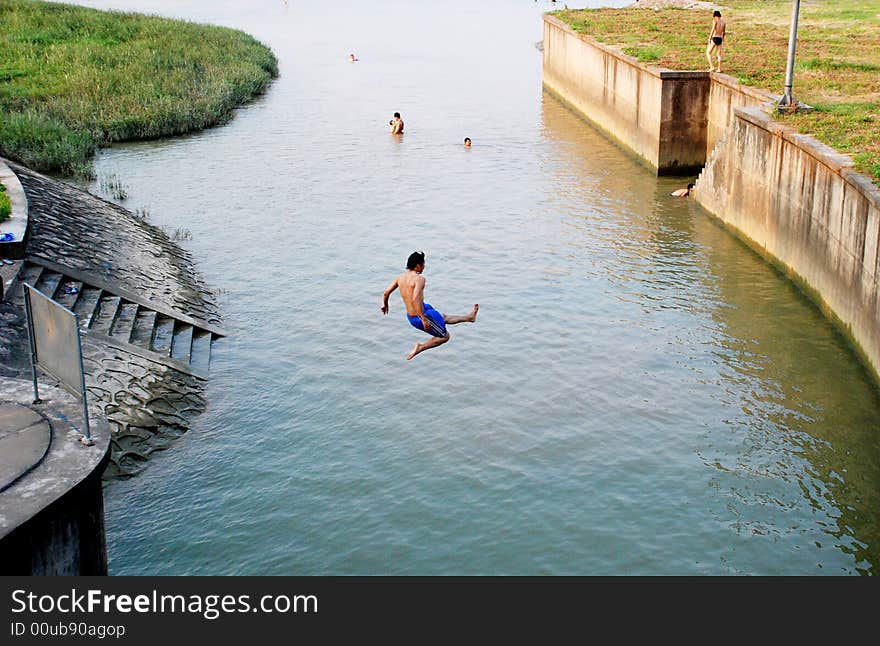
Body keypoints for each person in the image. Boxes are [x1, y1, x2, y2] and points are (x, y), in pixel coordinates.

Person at [381, 251, 479, 360]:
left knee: (443, 317)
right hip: (420, 316)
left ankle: (469, 318)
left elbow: (386, 292)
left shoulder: (400, 278)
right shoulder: (420, 279)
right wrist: (423, 319)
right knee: (445, 337)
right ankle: (420, 347)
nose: (424, 266)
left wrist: (385, 304)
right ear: (417, 265)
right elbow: (415, 298)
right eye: (423, 264)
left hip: (416, 312)